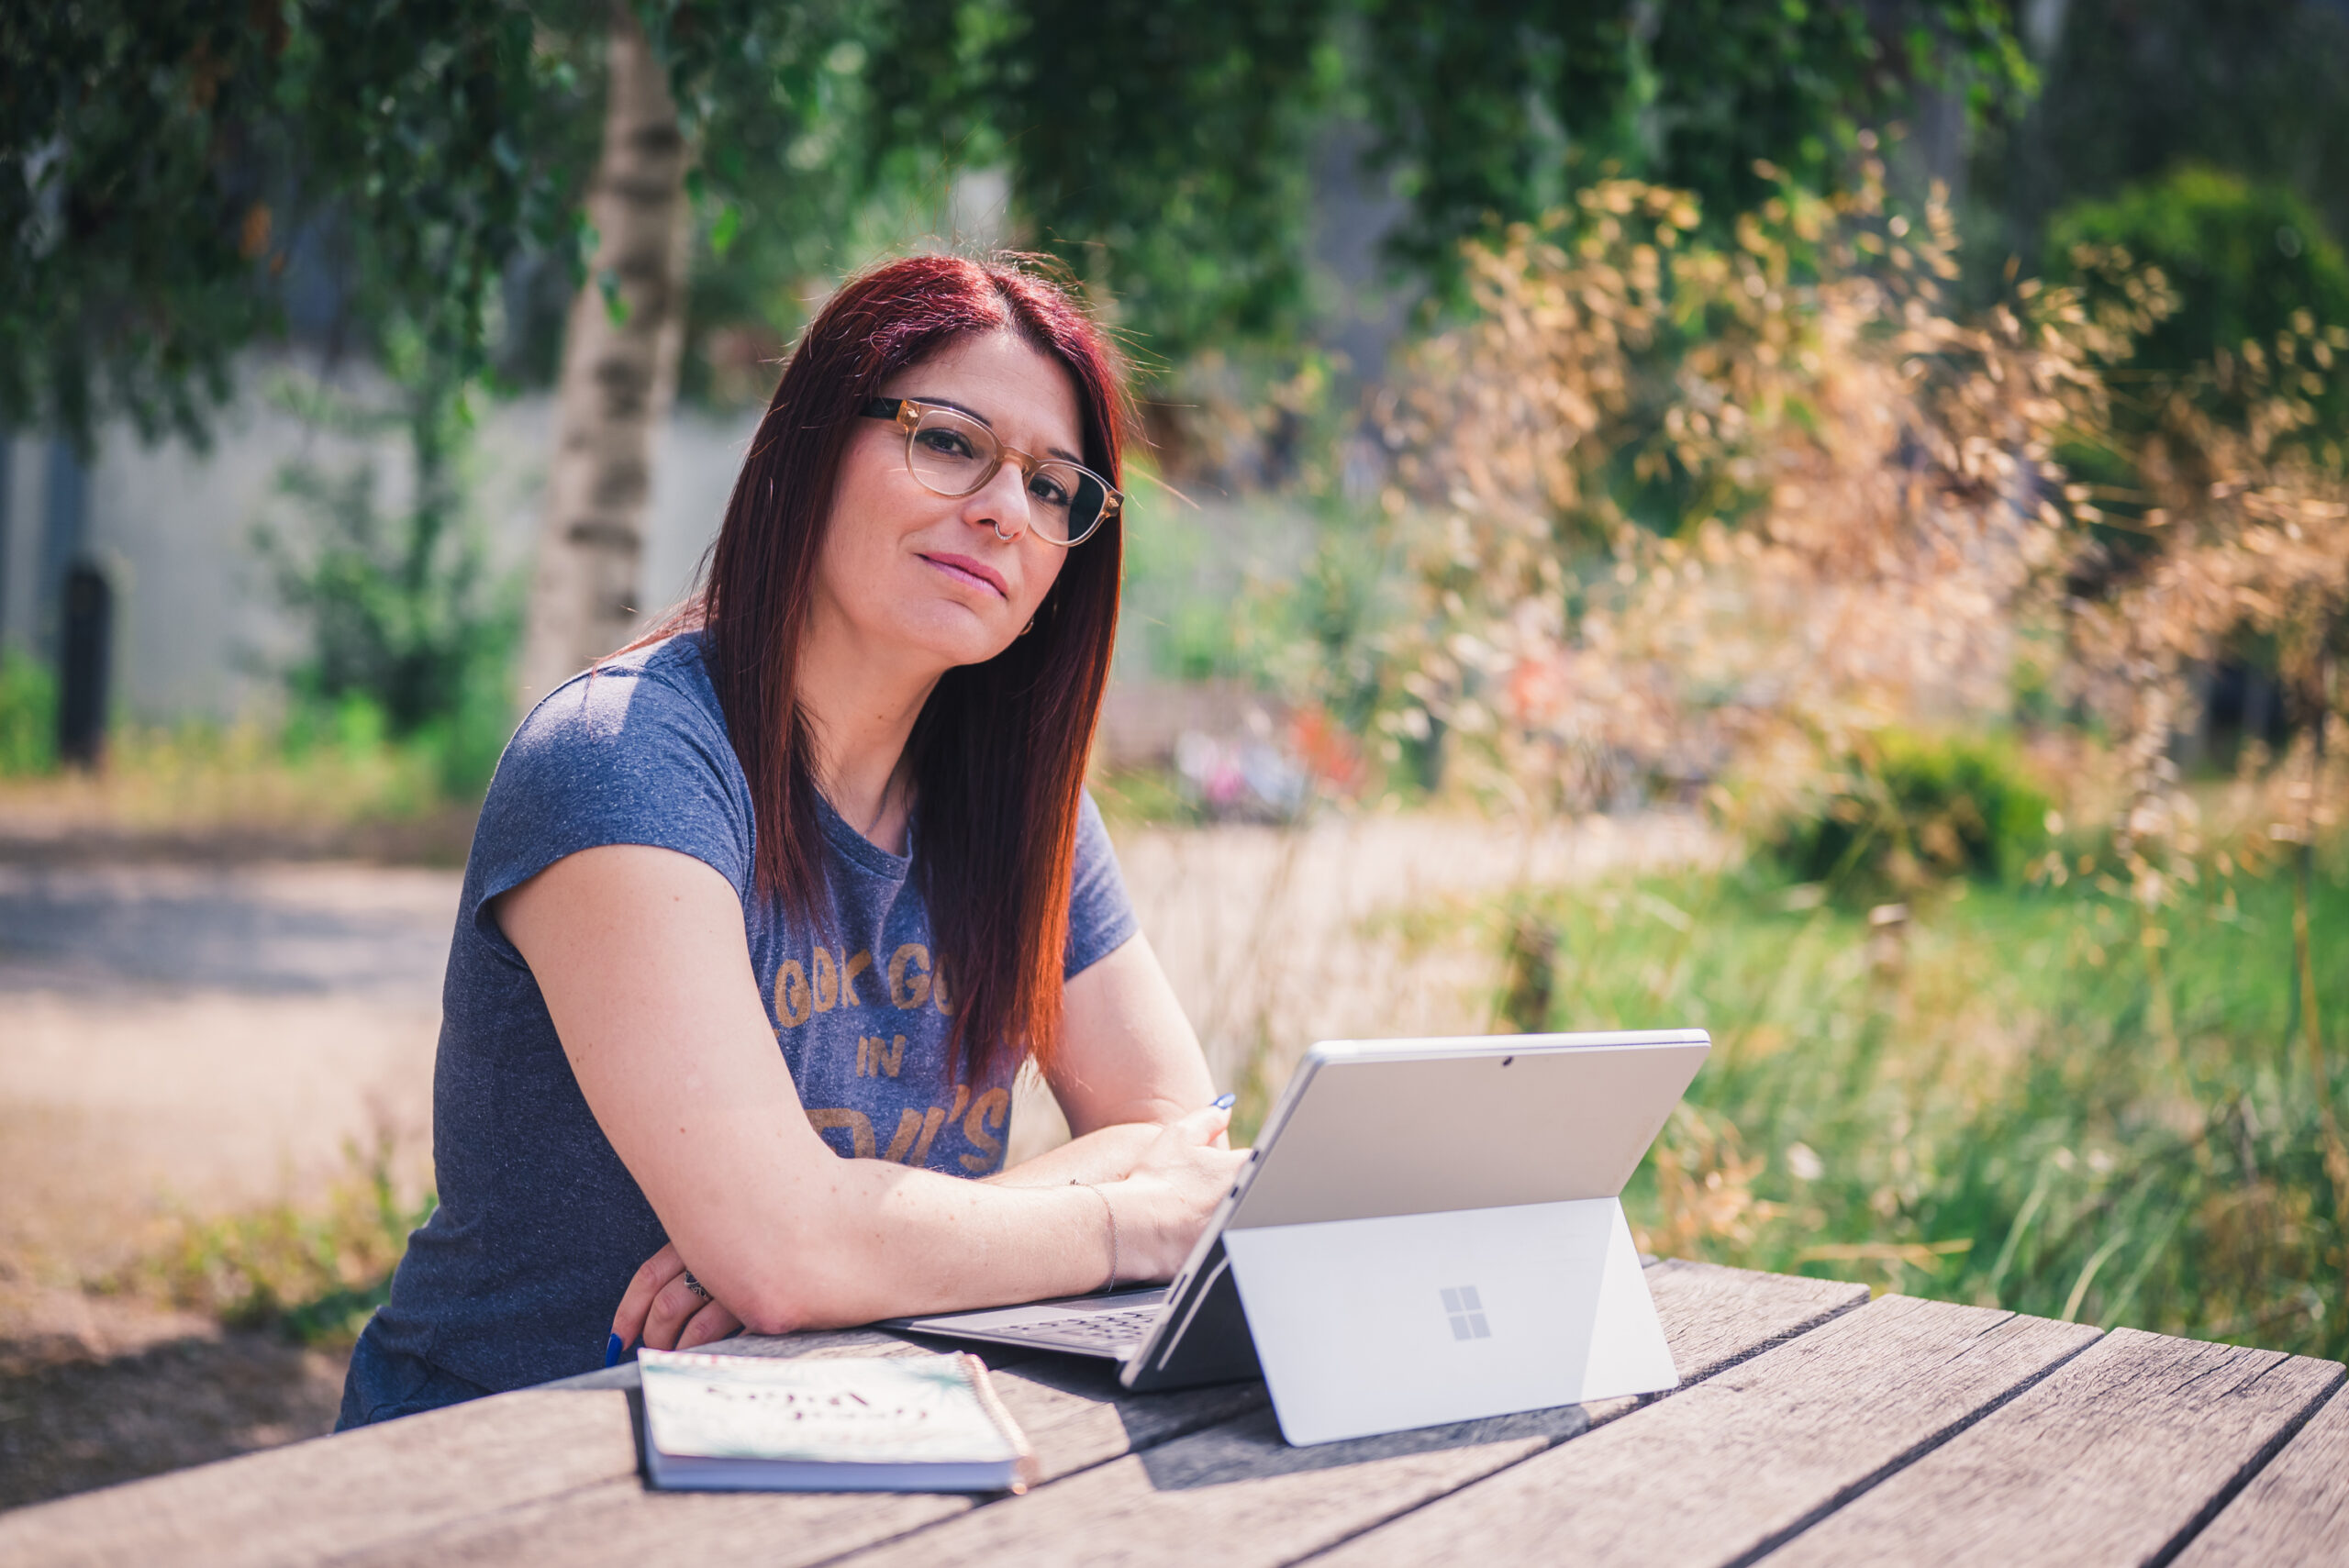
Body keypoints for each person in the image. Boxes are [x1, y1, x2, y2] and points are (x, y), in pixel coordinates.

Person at [338, 254, 1247, 1428]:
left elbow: (1181, 1139)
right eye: (950, 440)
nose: (1002, 509)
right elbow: (792, 1252)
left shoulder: (1024, 808)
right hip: (511, 1457)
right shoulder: (625, 759)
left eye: (1053, 484)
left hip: (832, 1442)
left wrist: (843, 1236)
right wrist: (1107, 1221)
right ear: (811, 444)